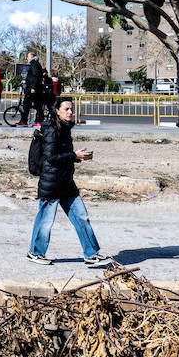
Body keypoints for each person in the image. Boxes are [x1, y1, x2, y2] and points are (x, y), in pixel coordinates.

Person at [27, 95, 112, 267]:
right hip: (51, 183)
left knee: (81, 217)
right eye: (66, 109)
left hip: (65, 183)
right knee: (45, 222)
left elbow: (60, 155)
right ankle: (35, 253)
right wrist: (74, 155)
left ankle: (91, 254)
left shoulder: (64, 128)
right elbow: (50, 157)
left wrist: (78, 157)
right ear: (57, 111)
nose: (70, 112)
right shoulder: (51, 128)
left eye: (71, 109)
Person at [18, 51, 47, 127]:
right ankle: (37, 120)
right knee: (37, 105)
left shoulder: (34, 64)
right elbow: (32, 77)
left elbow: (35, 76)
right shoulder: (35, 64)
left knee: (27, 104)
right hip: (35, 88)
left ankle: (25, 120)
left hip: (33, 89)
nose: (27, 58)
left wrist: (33, 87)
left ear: (31, 57)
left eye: (28, 57)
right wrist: (26, 81)